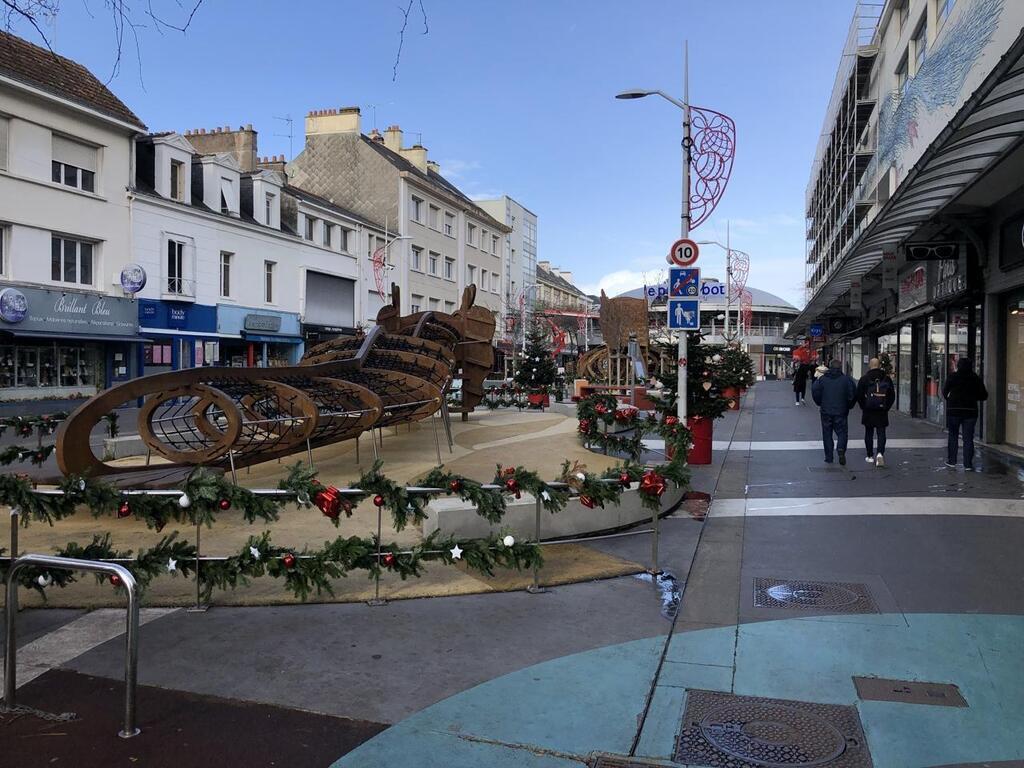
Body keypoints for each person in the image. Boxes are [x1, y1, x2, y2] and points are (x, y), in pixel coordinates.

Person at [942, 358, 988, 470]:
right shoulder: (975, 378)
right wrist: (973, 397)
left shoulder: (952, 376)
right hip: (970, 411)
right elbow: (984, 395)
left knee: (953, 436)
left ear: (958, 366)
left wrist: (951, 400)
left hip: (954, 410)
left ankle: (952, 461)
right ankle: (968, 464)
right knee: (968, 438)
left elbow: (944, 392)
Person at [812, 358, 857, 465]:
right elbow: (852, 394)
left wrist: (820, 403)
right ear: (840, 367)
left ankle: (829, 457)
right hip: (841, 411)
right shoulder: (846, 380)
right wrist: (849, 406)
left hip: (826, 411)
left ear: (829, 367)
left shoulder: (822, 379)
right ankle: (841, 449)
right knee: (842, 433)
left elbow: (815, 391)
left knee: (827, 434)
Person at [856, 358, 895, 467]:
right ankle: (880, 453)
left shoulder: (864, 379)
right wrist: (886, 407)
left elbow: (859, 395)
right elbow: (892, 395)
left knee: (869, 432)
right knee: (881, 433)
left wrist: (864, 406)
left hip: (868, 410)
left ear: (870, 365)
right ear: (879, 365)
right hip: (882, 411)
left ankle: (869, 456)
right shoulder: (886, 379)